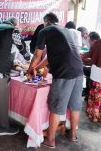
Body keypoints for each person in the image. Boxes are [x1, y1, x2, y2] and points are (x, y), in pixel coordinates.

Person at [27, 13, 83, 148]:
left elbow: (37, 54)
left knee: (57, 107)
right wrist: (38, 67)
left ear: (46, 22)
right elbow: (49, 57)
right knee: (75, 106)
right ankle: (73, 135)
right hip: (78, 70)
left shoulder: (44, 30)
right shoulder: (65, 30)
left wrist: (30, 69)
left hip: (64, 72)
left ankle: (51, 140)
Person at [86, 39, 101, 122]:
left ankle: (94, 116)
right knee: (99, 98)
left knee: (94, 97)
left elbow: (90, 55)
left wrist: (81, 56)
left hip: (97, 75)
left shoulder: (98, 42)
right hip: (97, 75)